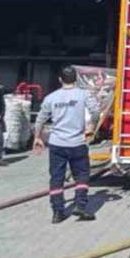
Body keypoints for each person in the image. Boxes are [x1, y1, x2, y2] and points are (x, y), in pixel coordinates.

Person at [32, 66, 99, 224]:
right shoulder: (83, 95)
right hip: (77, 143)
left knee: (57, 178)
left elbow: (40, 119)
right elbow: (95, 112)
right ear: (75, 79)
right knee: (82, 175)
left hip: (57, 144)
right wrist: (91, 127)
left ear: (60, 80)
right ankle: (80, 206)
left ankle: (57, 212)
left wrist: (37, 137)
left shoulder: (51, 97)